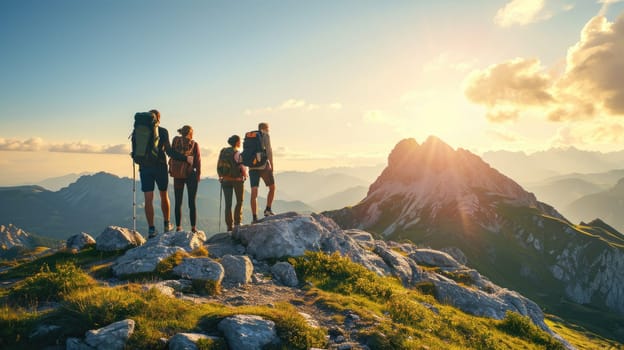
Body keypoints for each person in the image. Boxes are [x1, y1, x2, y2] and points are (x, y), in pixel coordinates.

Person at [135, 109, 190, 238]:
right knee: (164, 195)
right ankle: (166, 224)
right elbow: (169, 151)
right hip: (159, 167)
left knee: (148, 199)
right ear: (158, 118)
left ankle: (151, 229)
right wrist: (185, 158)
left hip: (144, 168)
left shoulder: (139, 130)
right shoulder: (163, 131)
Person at [172, 125, 201, 233]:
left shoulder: (175, 141)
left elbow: (172, 154)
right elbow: (197, 161)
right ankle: (193, 228)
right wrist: (198, 175)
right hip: (190, 174)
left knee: (178, 202)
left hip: (177, 174)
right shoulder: (194, 144)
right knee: (191, 202)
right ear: (190, 133)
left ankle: (178, 227)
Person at [218, 135, 247, 231]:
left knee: (228, 204)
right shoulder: (237, 153)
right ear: (236, 142)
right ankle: (237, 223)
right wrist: (245, 175)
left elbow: (219, 165)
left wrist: (221, 176)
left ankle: (229, 226)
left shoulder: (223, 151)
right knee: (239, 201)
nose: (240, 142)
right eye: (239, 141)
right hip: (237, 180)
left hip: (225, 180)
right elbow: (242, 167)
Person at [249, 122, 275, 223]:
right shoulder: (265, 135)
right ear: (265, 128)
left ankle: (254, 217)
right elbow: (268, 150)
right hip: (263, 166)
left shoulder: (251, 136)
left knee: (254, 192)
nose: (269, 130)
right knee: (272, 187)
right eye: (268, 128)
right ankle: (268, 210)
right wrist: (272, 164)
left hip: (252, 167)